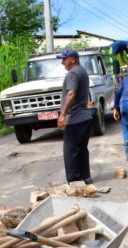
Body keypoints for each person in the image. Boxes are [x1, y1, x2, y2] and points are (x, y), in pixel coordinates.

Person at [56, 48, 93, 184]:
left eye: (64, 59)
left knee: (71, 150)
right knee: (82, 149)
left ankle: (75, 181)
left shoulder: (72, 73)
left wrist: (62, 115)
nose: (62, 62)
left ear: (73, 59)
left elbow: (72, 93)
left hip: (75, 117)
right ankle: (86, 177)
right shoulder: (82, 71)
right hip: (85, 116)